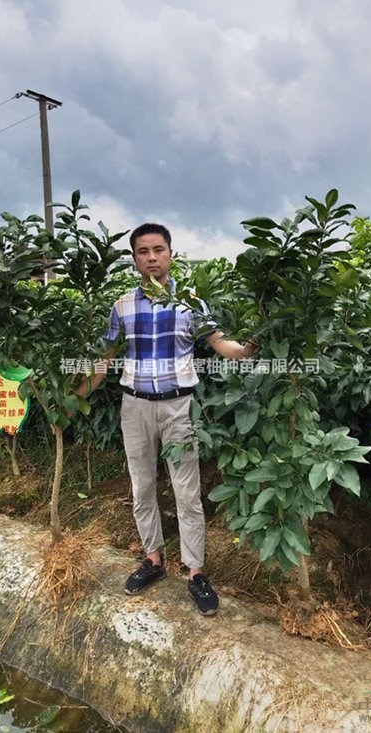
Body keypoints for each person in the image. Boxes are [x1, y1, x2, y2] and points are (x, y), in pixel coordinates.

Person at [77, 223, 257, 616]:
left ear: (171, 253)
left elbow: (219, 343)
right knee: (142, 488)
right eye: (143, 251)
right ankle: (154, 560)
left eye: (159, 249)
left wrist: (245, 350)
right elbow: (104, 359)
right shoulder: (122, 305)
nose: (152, 257)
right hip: (135, 405)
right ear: (135, 259)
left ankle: (194, 572)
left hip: (179, 406)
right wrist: (73, 398)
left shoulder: (190, 303)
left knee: (186, 492)